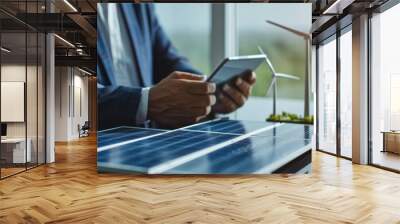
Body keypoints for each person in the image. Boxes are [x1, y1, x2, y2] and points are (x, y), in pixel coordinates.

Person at [97, 3, 256, 130]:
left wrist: (207, 92)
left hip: (146, 144)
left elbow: (167, 58)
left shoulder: (139, 6)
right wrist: (146, 102)